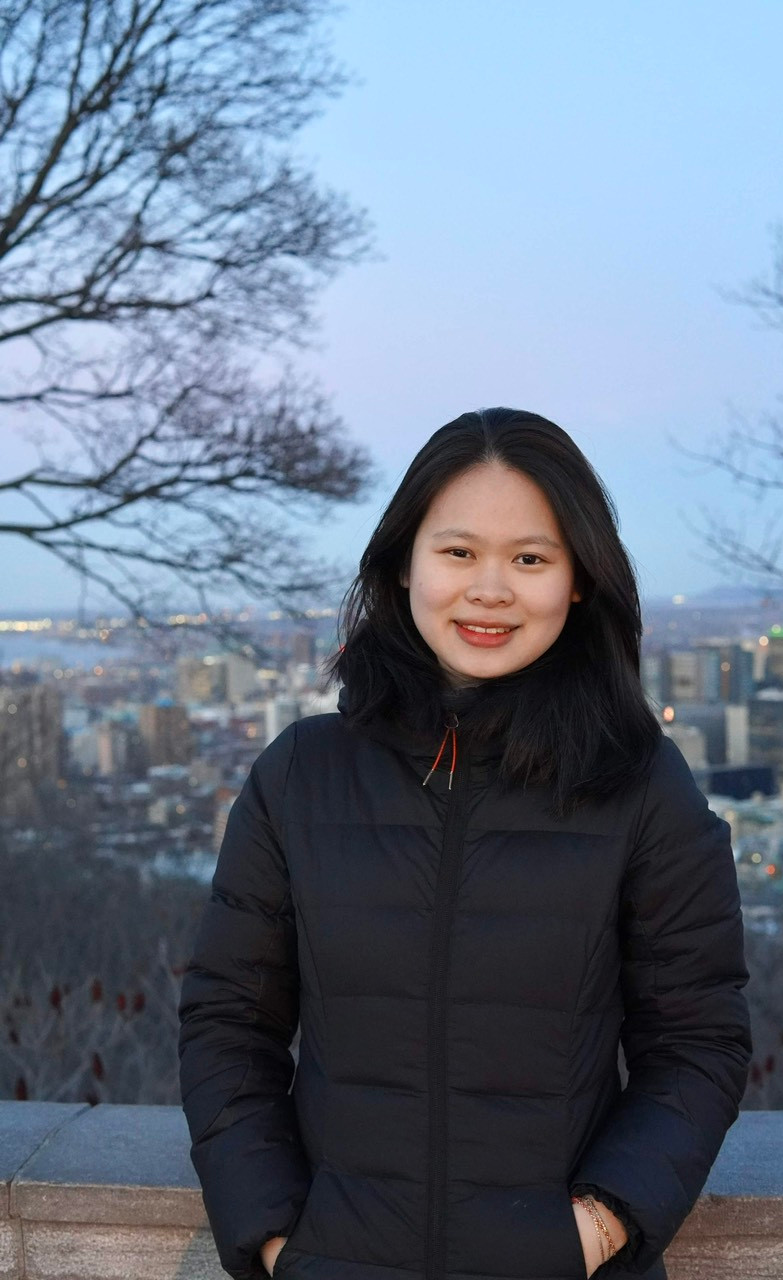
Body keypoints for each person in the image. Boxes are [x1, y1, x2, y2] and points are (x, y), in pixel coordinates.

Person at [178, 407, 751, 1280]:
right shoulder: (302, 775)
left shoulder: (639, 785)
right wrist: (277, 1237)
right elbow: (228, 1022)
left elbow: (699, 1040)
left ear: (579, 580)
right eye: (457, 552)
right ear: (403, 563)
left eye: (530, 559)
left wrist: (596, 1228)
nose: (490, 589)